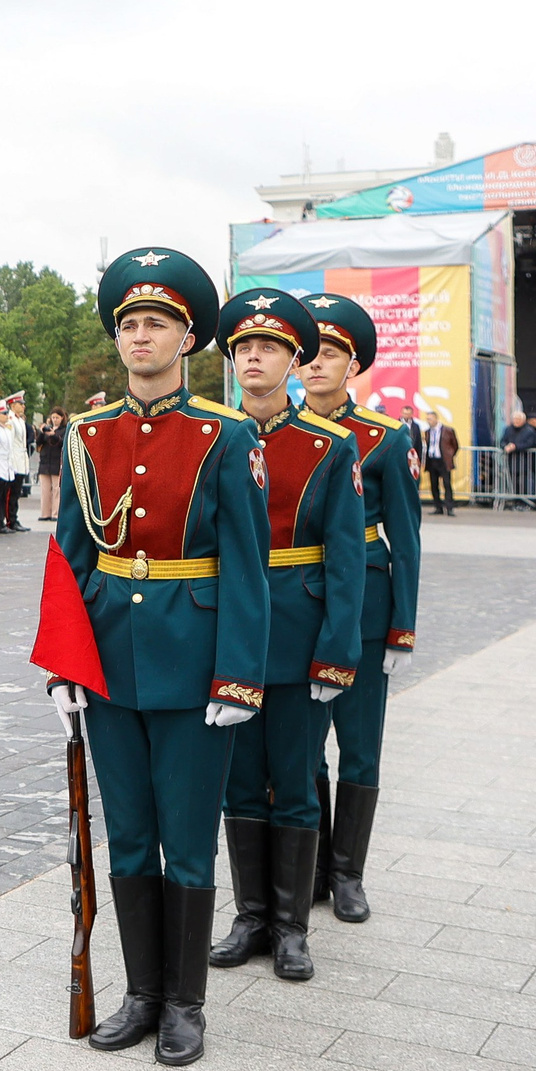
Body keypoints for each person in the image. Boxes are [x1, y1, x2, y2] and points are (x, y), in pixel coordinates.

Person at [34, 248, 267, 1068]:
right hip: (109, 662)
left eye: (156, 323)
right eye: (129, 323)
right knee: (129, 834)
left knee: (188, 840)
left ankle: (186, 1003)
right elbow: (70, 558)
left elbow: (246, 563)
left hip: (196, 660)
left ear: (188, 338)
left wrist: (239, 674)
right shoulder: (87, 434)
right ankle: (139, 993)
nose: (140, 335)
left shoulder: (227, 435)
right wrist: (65, 664)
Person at [208, 288, 361, 986]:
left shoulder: (331, 444)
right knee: (238, 780)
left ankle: (294, 926)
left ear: (294, 359)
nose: (252, 357)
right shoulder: (216, 436)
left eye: (267, 346)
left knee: (295, 778)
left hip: (298, 632)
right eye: (242, 347)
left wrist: (337, 650)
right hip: (231, 634)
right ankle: (250, 915)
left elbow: (346, 559)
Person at [290, 294, 418, 926]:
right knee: (304, 748)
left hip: (366, 607)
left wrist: (403, 628)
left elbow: (408, 538)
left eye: (330, 353)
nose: (315, 364)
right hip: (297, 606)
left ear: (353, 365)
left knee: (359, 747)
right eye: (306, 354)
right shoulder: (270, 434)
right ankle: (311, 867)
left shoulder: (386, 440)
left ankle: (348, 874)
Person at [36, 406, 67, 524]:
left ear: (62, 418)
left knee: (56, 489)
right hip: (45, 463)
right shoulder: (47, 429)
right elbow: (38, 443)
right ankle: (45, 513)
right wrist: (42, 432)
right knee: (45, 490)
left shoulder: (64, 430)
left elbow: (62, 443)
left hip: (56, 462)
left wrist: (54, 435)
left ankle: (55, 513)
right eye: (53, 417)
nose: (55, 420)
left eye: (57, 417)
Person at [423, 416, 458, 515]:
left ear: (436, 419)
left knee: (447, 484)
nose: (429, 421)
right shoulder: (428, 432)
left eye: (430, 419)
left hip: (443, 461)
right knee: (434, 485)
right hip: (432, 460)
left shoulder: (447, 430)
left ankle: (449, 508)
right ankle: (438, 507)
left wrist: (450, 455)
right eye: (428, 419)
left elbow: (455, 445)